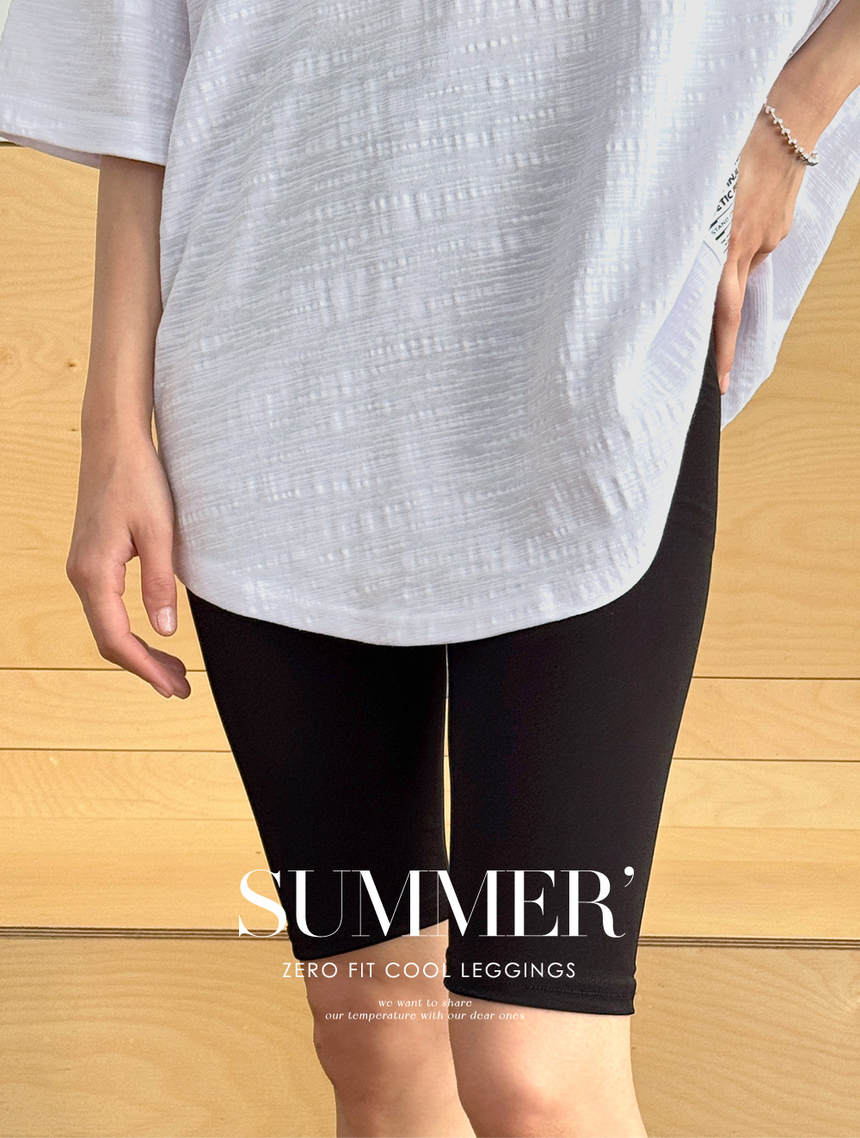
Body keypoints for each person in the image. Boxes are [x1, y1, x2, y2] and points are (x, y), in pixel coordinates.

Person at [1, 2, 859, 1135]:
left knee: (534, 1070)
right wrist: (111, 419)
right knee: (374, 1034)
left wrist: (795, 114)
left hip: (601, 275)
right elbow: (141, 40)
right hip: (268, 327)